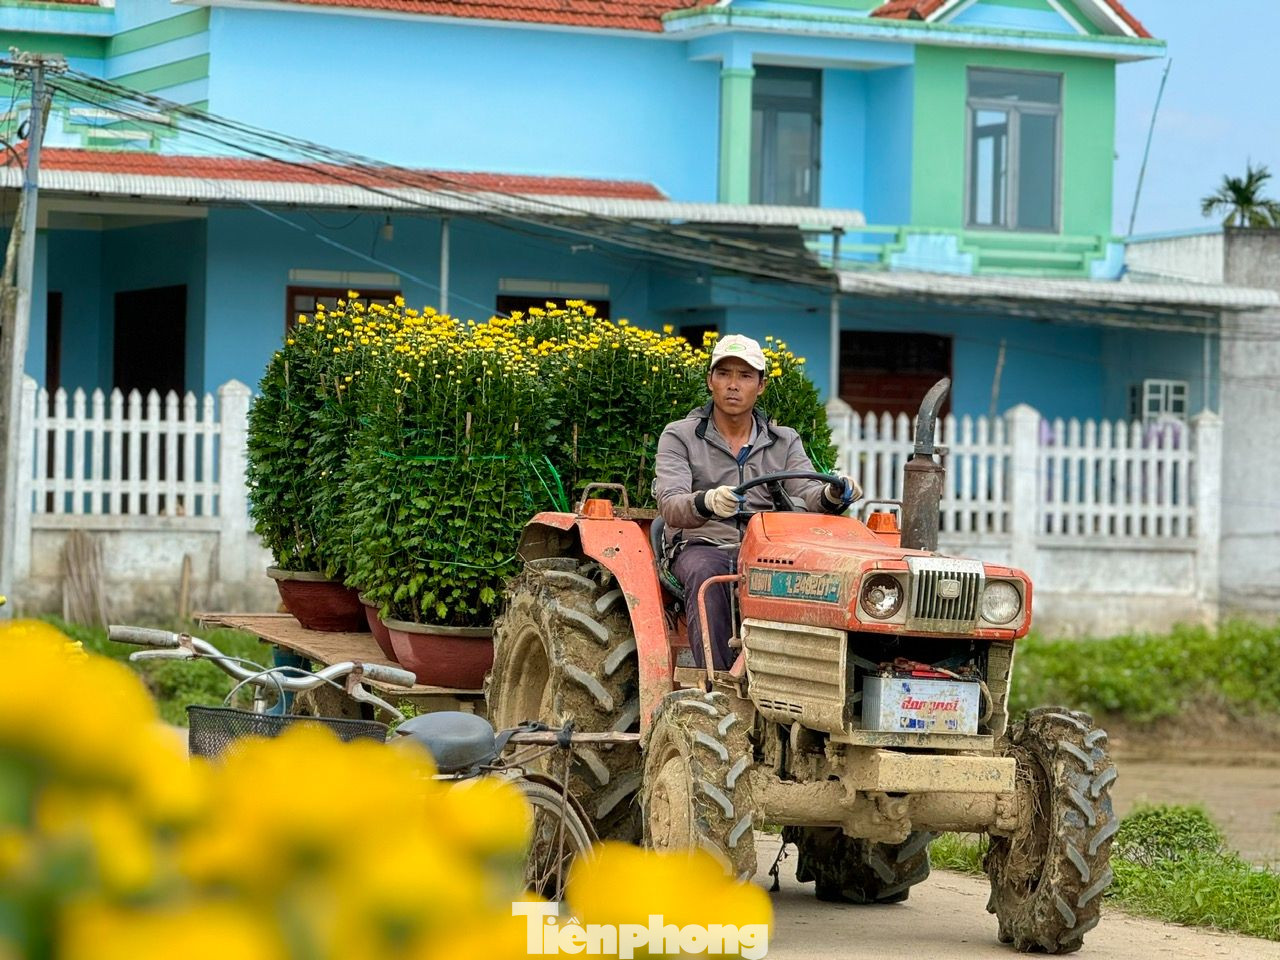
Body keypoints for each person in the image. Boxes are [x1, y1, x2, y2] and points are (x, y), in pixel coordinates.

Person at [653, 334, 860, 671]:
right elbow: (671, 503)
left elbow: (808, 490)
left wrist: (833, 494)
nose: (733, 385)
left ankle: (805, 679)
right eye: (724, 374)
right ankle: (715, 684)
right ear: (710, 381)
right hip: (704, 545)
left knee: (820, 574)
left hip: (768, 551)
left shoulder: (784, 440)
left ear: (761, 385)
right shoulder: (680, 435)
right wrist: (706, 502)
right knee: (707, 575)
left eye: (745, 376)